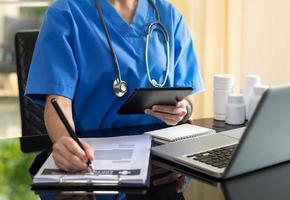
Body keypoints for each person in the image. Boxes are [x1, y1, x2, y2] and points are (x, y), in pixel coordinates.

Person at [25, 0, 204, 173]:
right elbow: (58, 99)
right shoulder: (66, 13)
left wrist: (183, 110)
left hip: (162, 161)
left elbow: (187, 97)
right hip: (92, 156)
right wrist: (64, 140)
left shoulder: (169, 14)